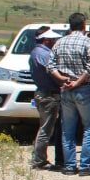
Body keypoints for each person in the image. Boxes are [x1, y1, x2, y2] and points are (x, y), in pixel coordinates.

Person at [50, 12, 90, 176]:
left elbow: (50, 66)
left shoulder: (60, 42)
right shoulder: (87, 41)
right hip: (84, 88)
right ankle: (86, 165)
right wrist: (78, 81)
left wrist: (62, 79)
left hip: (66, 89)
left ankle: (69, 165)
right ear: (83, 25)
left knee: (67, 129)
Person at [28, 28, 64, 170]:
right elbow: (52, 71)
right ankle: (39, 160)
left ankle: (37, 156)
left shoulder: (36, 52)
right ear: (47, 40)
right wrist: (64, 79)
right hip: (48, 94)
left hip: (43, 93)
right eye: (53, 40)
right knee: (46, 129)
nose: (55, 42)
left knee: (44, 126)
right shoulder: (44, 54)